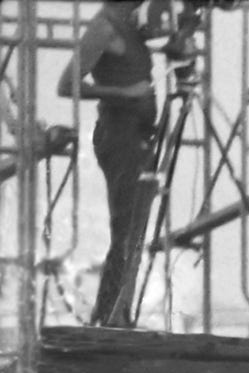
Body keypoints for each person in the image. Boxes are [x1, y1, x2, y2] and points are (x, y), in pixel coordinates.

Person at [56, 2, 164, 327]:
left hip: (139, 133)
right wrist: (124, 93)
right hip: (121, 134)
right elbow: (66, 84)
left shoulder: (131, 23)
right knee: (127, 227)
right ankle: (110, 315)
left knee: (135, 225)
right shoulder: (105, 26)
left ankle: (118, 310)